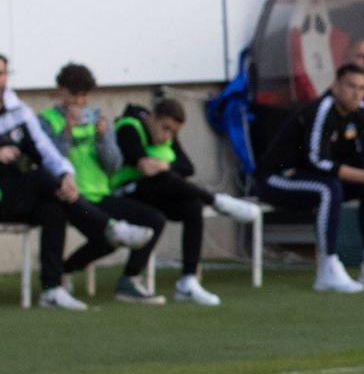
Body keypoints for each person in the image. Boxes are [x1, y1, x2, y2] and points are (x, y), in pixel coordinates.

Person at [0, 53, 155, 311]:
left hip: (19, 195)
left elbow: (47, 151)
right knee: (42, 178)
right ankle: (109, 227)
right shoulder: (48, 117)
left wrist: (65, 174)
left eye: (3, 74)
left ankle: (52, 289)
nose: (0, 81)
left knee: (54, 206)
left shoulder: (19, 111)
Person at [257, 63, 364, 293]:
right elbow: (318, 161)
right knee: (329, 188)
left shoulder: (359, 112)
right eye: (350, 86)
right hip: (277, 178)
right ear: (335, 86)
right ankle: (327, 267)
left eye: (362, 88)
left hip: (311, 178)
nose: (356, 93)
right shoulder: (322, 110)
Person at [106, 93, 262, 304]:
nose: (168, 136)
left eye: (173, 132)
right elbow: (142, 165)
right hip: (124, 192)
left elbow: (187, 167)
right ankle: (216, 200)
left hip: (153, 191)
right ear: (152, 118)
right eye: (165, 128)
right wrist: (163, 167)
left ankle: (188, 281)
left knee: (191, 206)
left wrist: (164, 165)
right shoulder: (129, 127)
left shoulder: (167, 135)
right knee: (164, 182)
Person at [37, 63, 169, 305]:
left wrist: (102, 138)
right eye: (74, 94)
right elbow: (48, 160)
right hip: (71, 198)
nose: (79, 102)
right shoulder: (46, 121)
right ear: (60, 91)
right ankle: (62, 273)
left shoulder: (98, 120)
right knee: (108, 232)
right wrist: (67, 131)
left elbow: (114, 165)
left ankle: (129, 280)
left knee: (153, 221)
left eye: (84, 95)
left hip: (101, 195)